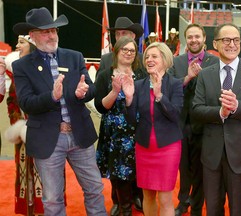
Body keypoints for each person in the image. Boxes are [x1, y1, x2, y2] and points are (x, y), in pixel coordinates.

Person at [12, 7, 107, 215]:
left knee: (94, 189)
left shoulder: (74, 57)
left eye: (54, 30)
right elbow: (26, 103)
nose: (51, 35)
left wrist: (84, 92)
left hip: (80, 134)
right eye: (45, 31)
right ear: (33, 36)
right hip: (48, 139)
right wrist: (52, 96)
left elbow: (90, 88)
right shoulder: (22, 66)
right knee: (53, 199)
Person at [192, 23, 241, 216]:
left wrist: (236, 107)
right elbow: (196, 110)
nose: (232, 44)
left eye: (236, 40)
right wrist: (221, 113)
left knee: (237, 210)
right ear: (215, 44)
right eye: (226, 40)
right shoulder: (205, 74)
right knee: (213, 210)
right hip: (212, 156)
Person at [123, 42, 183, 216]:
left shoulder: (175, 84)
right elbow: (131, 120)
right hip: (144, 148)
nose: (149, 59)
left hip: (168, 148)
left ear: (165, 59)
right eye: (147, 56)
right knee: (147, 196)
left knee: (165, 198)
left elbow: (175, 115)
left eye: (154, 56)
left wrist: (159, 96)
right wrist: (128, 99)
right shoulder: (139, 85)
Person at [96, 16, 144, 215]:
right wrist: (115, 91)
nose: (128, 53)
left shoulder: (142, 74)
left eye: (131, 51)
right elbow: (100, 107)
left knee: (137, 170)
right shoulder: (105, 74)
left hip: (137, 130)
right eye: (124, 50)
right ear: (116, 52)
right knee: (117, 172)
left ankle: (137, 198)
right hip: (113, 133)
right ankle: (122, 205)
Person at [169, 23, 219, 216]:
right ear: (185, 40)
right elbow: (171, 89)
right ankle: (183, 201)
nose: (194, 40)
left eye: (197, 36)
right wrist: (188, 77)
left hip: (206, 126)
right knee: (184, 167)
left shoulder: (214, 62)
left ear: (204, 39)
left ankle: (197, 204)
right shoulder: (177, 62)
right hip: (181, 124)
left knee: (200, 168)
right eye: (190, 37)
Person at [4, 34, 45, 215]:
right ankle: (29, 208)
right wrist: (19, 125)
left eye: (21, 42)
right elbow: (11, 102)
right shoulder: (16, 72)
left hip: (43, 133)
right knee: (23, 172)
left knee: (45, 172)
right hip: (22, 133)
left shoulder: (44, 70)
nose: (17, 45)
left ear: (32, 46)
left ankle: (45, 209)